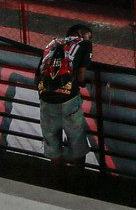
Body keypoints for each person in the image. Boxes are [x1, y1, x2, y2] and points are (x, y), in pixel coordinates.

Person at [35, 23, 95, 172]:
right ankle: (79, 177)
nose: (90, 40)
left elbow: (38, 75)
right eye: (89, 36)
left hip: (46, 99)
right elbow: (81, 75)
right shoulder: (84, 43)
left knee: (52, 141)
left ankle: (58, 178)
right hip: (69, 99)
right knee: (77, 140)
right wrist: (81, 82)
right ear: (80, 34)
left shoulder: (52, 43)